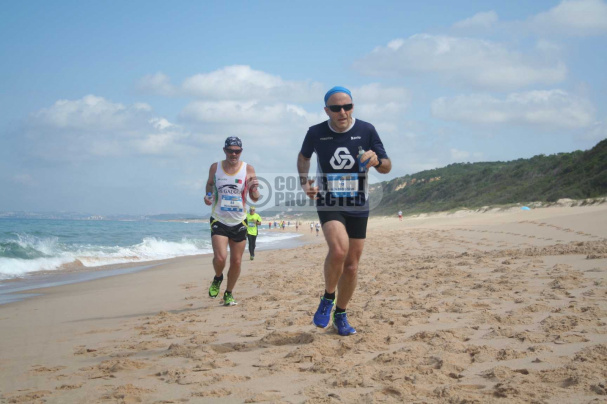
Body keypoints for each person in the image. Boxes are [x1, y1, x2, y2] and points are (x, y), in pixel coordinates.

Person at [297, 86, 391, 336]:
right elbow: (304, 157)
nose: (342, 112)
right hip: (329, 200)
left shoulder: (366, 130)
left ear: (352, 107)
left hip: (358, 203)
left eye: (347, 106)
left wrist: (377, 161)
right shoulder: (316, 132)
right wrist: (304, 181)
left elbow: (387, 166)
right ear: (326, 110)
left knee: (351, 266)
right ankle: (328, 297)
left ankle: (341, 313)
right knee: (338, 250)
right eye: (336, 108)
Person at [204, 136, 260, 306]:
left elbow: (255, 198)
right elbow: (209, 186)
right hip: (219, 219)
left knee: (236, 261)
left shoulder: (248, 169)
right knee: (220, 258)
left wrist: (253, 188)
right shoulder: (216, 167)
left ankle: (228, 293)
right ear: (224, 151)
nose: (233, 154)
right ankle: (218, 277)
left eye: (237, 151)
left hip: (239, 221)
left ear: (241, 152)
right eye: (230, 151)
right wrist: (208, 196)